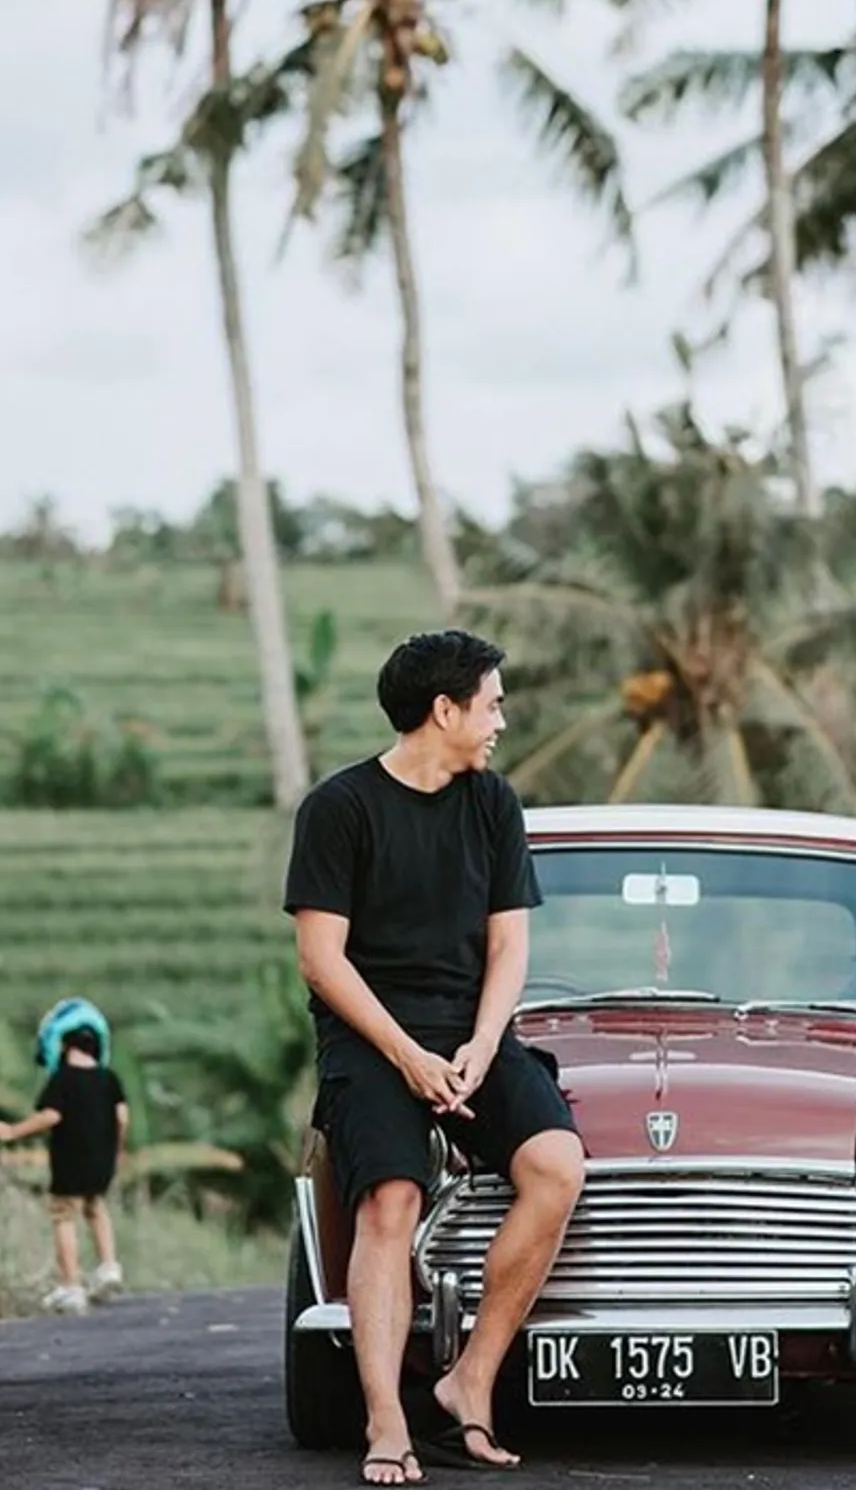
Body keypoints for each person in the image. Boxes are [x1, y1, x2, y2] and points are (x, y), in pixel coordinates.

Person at [285, 629, 584, 1486]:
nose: (501, 719)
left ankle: (469, 1381)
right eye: (490, 703)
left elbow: (509, 947)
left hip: (473, 1032)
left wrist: (483, 1047)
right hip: (371, 1037)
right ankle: (386, 1418)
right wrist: (409, 1056)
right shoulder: (339, 808)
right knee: (391, 1198)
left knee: (557, 1165)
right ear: (442, 709)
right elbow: (322, 960)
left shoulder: (493, 803)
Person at [0, 1016, 129, 1315]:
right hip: (102, 1160)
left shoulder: (63, 1079)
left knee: (64, 1216)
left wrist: (12, 1131)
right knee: (96, 1207)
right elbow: (122, 1117)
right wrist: (116, 1150)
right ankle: (108, 1267)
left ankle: (71, 1286)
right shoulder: (109, 1078)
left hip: (70, 1160)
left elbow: (51, 1116)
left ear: (64, 1047)